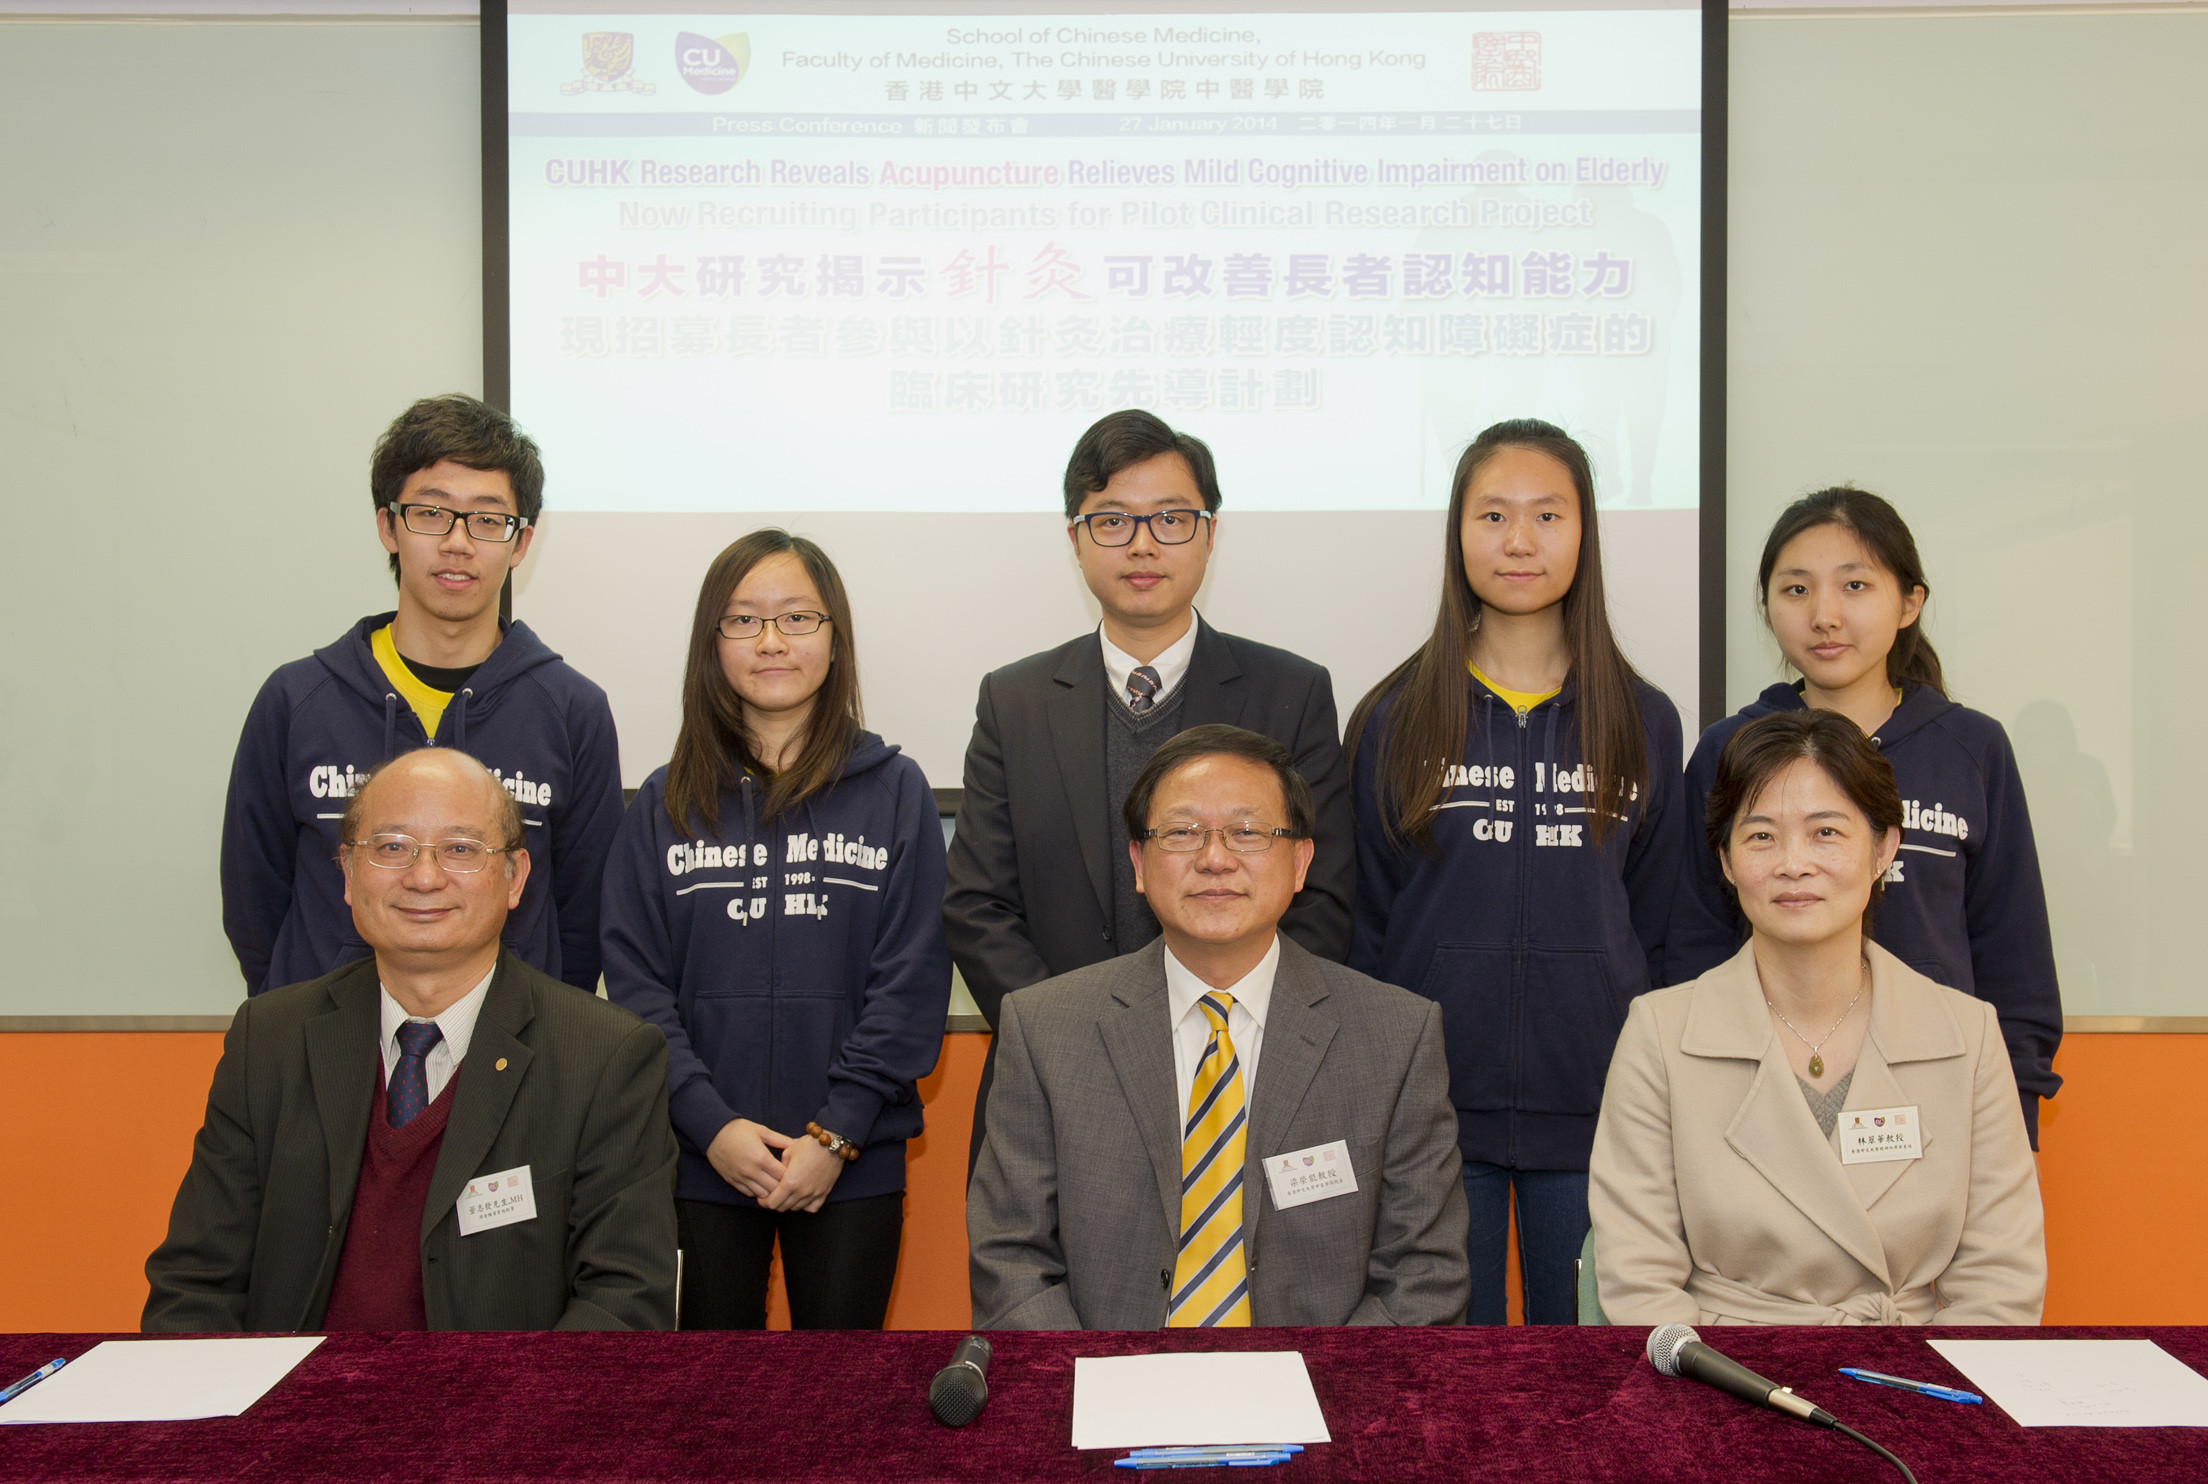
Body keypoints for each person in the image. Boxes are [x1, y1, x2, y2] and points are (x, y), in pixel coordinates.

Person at [946, 410, 1355, 1176]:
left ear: (1209, 533)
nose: (1142, 544)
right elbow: (977, 906)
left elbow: (1321, 894)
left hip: (1244, 1074)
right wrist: (1077, 1043)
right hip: (1052, 1090)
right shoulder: (1017, 700)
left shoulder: (1290, 692)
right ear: (1074, 539)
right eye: (1111, 521)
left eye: (1170, 519)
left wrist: (1215, 1029)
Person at [146, 748, 677, 1332]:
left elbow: (623, 1301)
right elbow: (195, 1285)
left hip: (499, 1410)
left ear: (515, 877)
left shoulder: (605, 1056)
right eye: (392, 847)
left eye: (461, 849)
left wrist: (498, 1420)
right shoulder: (269, 1039)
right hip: (295, 1410)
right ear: (347, 874)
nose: (424, 877)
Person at [1344, 418, 1682, 1326]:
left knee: (1592, 1380)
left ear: (1586, 535)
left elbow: (1657, 927)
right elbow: (1368, 928)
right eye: (1493, 515)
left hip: (1600, 1114)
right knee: (1456, 1390)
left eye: (1548, 515)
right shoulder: (1393, 717)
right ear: (1458, 534)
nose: (1520, 541)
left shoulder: (1643, 721)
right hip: (1433, 1119)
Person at [969, 725, 1468, 1329]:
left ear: (1301, 860)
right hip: (1108, 1392)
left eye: (1248, 832)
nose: (1214, 858)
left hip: (1318, 1401)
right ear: (1139, 863)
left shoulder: (1396, 1036)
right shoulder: (1046, 1028)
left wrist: (1311, 1396)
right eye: (1181, 832)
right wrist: (1098, 1384)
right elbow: (1011, 1258)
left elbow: (1423, 1275)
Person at [1590, 710, 2046, 1324]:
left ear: (1884, 848)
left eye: (1826, 832)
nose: (1793, 863)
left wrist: (1913, 1405)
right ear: (1725, 861)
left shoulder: (1967, 1035)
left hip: (1913, 1386)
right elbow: (1640, 1281)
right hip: (1726, 1382)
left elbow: (2000, 1284)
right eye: (1760, 836)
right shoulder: (1660, 1035)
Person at [602, 531, 951, 1330]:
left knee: (838, 1405)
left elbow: (912, 979)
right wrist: (710, 1125)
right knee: (708, 1409)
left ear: (835, 639)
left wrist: (837, 1132)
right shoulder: (661, 804)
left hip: (851, 1161)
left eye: (797, 617)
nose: (771, 641)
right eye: (743, 620)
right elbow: (635, 989)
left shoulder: (896, 793)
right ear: (710, 642)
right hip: (697, 1160)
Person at [1661, 488, 2061, 1143]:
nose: (1824, 615)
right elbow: (1691, 946)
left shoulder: (1972, 749)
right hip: (1764, 1105)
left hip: (1940, 1096)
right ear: (1766, 607)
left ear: (1909, 602)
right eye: (1795, 590)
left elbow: (2014, 962)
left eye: (1854, 586)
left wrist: (2010, 1119)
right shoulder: (1728, 751)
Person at [221, 393, 624, 997]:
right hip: (325, 1058)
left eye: (489, 519)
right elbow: (255, 902)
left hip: (514, 1063)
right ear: (388, 526)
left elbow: (584, 918)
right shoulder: (296, 700)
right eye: (431, 514)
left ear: (520, 543)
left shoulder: (573, 713)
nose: (458, 542)